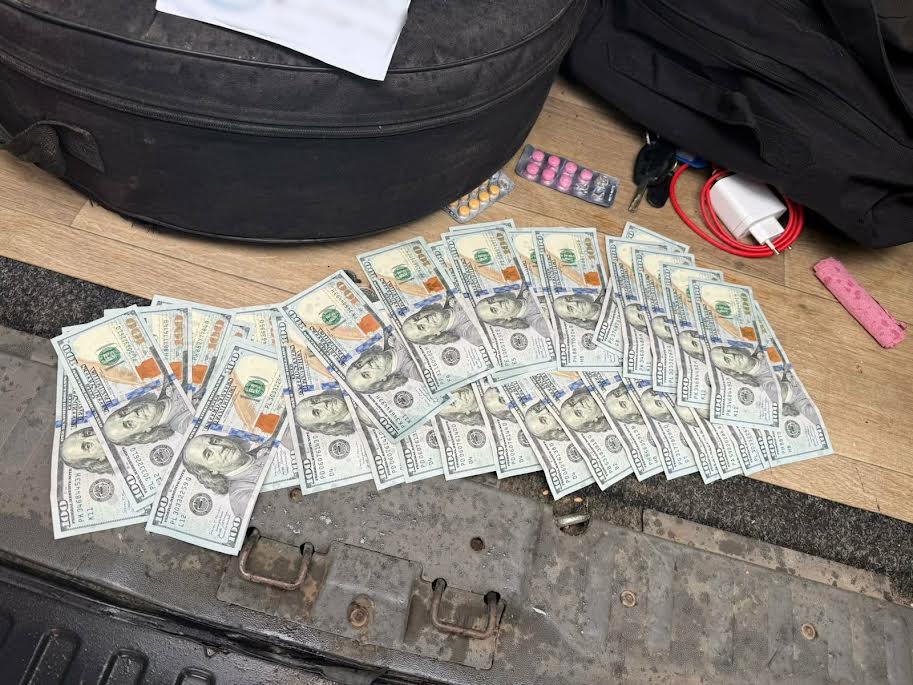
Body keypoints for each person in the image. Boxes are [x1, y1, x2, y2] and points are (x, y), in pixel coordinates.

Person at [182, 433, 270, 517]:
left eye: (215, 441)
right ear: (211, 471)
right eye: (209, 454)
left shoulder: (268, 445)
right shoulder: (242, 496)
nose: (220, 448)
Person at [102, 383, 192, 446]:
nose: (133, 413)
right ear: (145, 432)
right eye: (129, 424)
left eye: (123, 412)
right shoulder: (184, 424)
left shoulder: (166, 382)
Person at [345, 331, 420, 394]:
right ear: (382, 380)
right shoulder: (414, 371)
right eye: (366, 374)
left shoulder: (386, 333)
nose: (366, 364)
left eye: (359, 364)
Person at [400, 296, 483, 347]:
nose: (424, 319)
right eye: (422, 327)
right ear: (434, 335)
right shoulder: (471, 333)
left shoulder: (448, 294)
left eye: (417, 317)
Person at [475, 285, 551, 339]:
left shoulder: (524, 284)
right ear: (504, 319)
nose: (497, 303)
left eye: (491, 300)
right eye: (494, 310)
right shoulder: (539, 323)